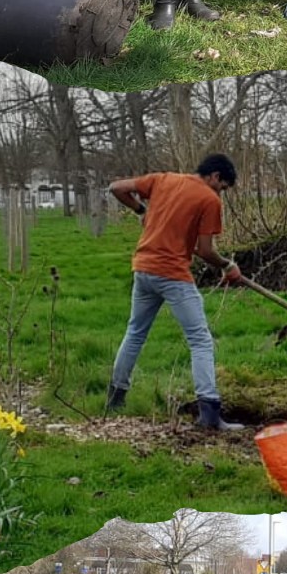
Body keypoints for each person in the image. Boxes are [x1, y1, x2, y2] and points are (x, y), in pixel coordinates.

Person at [105, 154, 244, 431]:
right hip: (172, 274)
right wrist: (228, 266)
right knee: (200, 339)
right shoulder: (209, 199)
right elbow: (206, 251)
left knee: (135, 332)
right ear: (215, 176)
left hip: (143, 269)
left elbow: (117, 187)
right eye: (223, 187)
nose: (221, 193)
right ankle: (210, 413)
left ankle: (115, 399)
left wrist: (141, 210)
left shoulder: (163, 179)